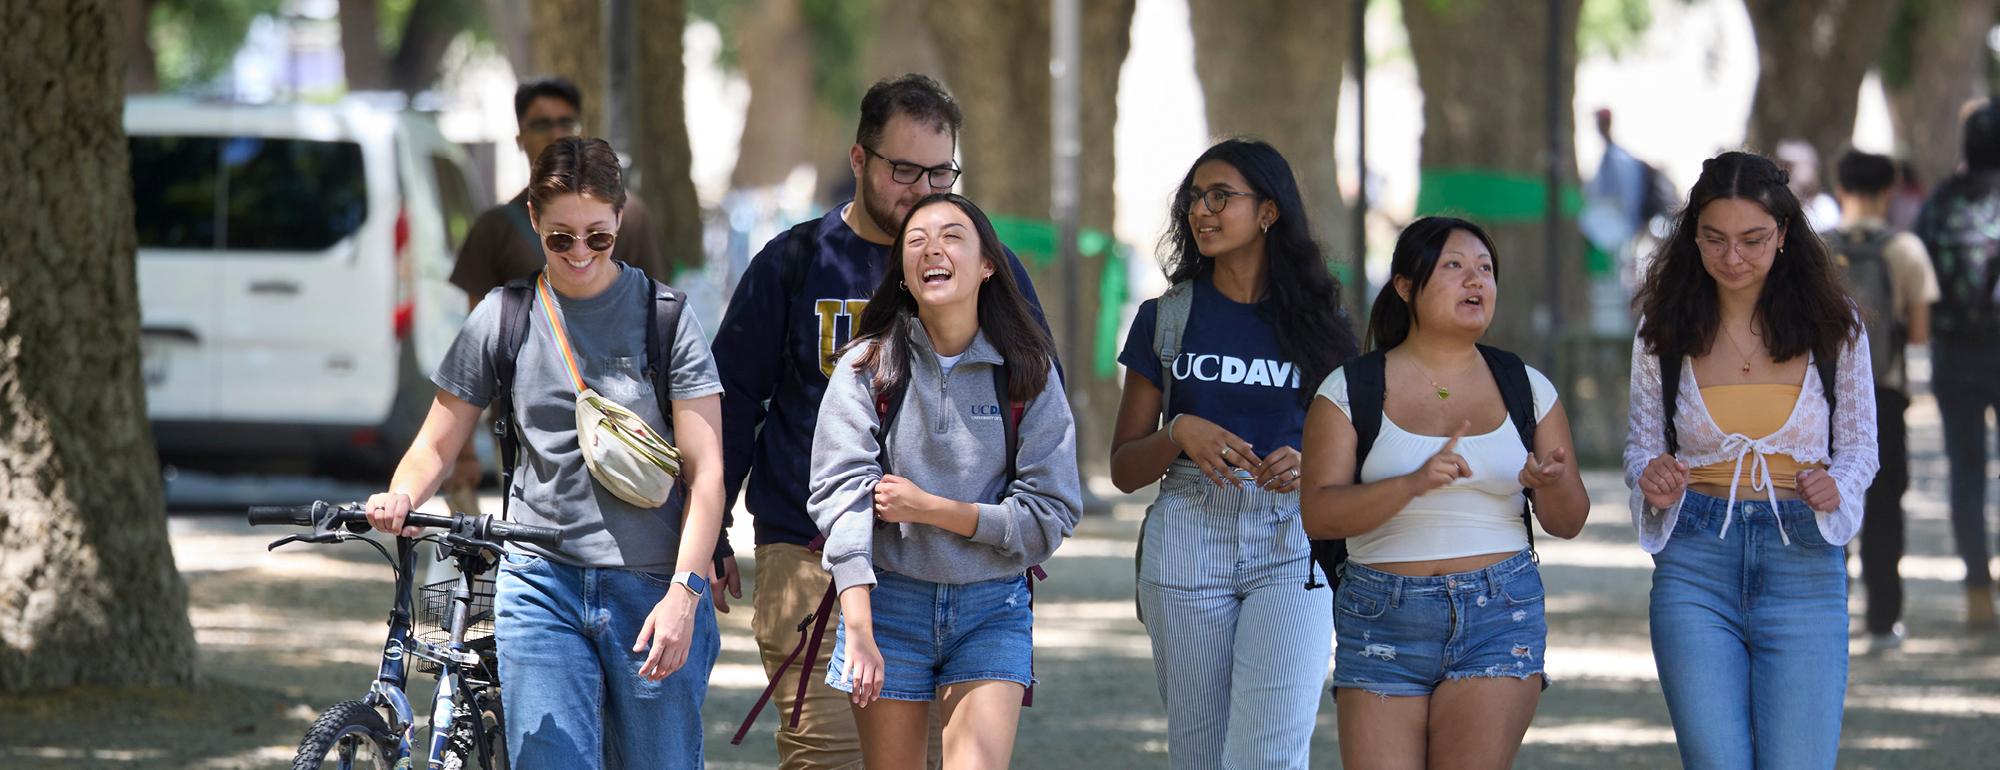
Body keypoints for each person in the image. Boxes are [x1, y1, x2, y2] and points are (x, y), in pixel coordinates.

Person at [710, 73, 1052, 767]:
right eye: (904, 170)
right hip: (811, 555)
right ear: (860, 159)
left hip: (953, 565)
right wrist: (708, 527)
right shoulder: (795, 263)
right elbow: (731, 405)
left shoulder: (990, 270)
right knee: (829, 759)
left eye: (941, 172)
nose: (922, 190)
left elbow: (1037, 400)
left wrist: (1006, 530)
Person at [365, 137, 726, 768]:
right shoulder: (502, 317)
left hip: (650, 588)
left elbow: (708, 473)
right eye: (560, 238)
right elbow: (434, 443)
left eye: (598, 236)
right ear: (533, 220)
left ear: (620, 219)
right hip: (539, 584)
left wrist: (685, 594)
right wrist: (401, 493)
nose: (579, 253)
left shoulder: (666, 319)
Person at [1298, 216, 1589, 769]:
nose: (1474, 281)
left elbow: (1569, 520)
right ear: (1406, 286)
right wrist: (1410, 484)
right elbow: (1319, 513)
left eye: (1485, 269)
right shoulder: (1349, 389)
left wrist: (1548, 485)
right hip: (1381, 612)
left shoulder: (1526, 386)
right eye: (1454, 267)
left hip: (1500, 612)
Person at [1108, 138, 1359, 769]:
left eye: (1222, 196)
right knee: (1200, 755)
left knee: (1273, 753)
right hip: (1189, 531)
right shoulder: (1165, 318)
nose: (1202, 211)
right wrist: (1177, 433)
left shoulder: (1324, 325)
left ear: (1269, 212)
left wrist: (1309, 462)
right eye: (1195, 198)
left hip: (1291, 541)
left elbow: (1360, 455)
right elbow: (1122, 468)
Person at [809, 192, 1080, 769]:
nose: (933, 248)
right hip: (887, 604)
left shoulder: (1028, 371)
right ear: (904, 274)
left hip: (992, 605)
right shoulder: (866, 367)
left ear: (987, 265)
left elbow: (1051, 512)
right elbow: (840, 494)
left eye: (952, 236)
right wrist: (857, 623)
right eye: (916, 240)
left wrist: (932, 508)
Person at [1626, 150, 1878, 768]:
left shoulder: (1833, 325)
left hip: (1805, 567)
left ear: (1784, 235)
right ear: (1693, 238)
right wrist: (1652, 477)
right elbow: (1642, 446)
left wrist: (1836, 485)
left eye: (1752, 240)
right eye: (1713, 239)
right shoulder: (1663, 326)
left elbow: (1861, 446)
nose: (1732, 258)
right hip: (1695, 562)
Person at [439, 76, 672, 518]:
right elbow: (471, 349)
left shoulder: (632, 215)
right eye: (541, 123)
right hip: (528, 420)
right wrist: (463, 451)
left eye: (566, 121)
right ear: (520, 137)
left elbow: (660, 315)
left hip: (621, 413)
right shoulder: (494, 228)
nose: (555, 131)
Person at [1826, 149, 1939, 650]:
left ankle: (1831, 606)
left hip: (1822, 395)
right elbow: (1917, 335)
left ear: (1840, 186)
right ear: (1889, 190)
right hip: (1884, 393)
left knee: (1824, 499)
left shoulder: (1816, 248)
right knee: (1885, 503)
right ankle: (1883, 619)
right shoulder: (1906, 250)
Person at [1914, 102, 2000, 629]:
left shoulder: (1940, 202)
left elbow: (1921, 275)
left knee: (1965, 471)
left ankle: (1977, 590)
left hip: (1954, 353)